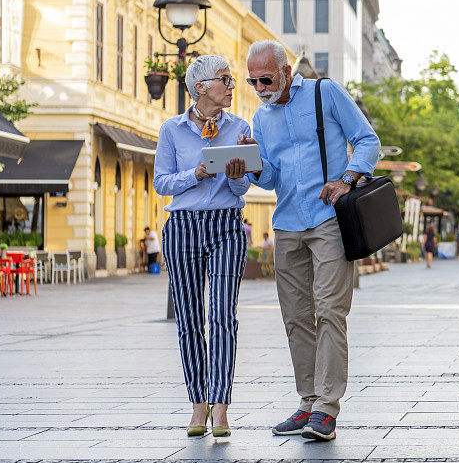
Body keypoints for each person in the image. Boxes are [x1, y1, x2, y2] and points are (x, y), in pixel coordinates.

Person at [233, 40, 380, 441]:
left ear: (284, 71)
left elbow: (368, 140)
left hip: (329, 218)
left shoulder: (323, 92)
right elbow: (270, 178)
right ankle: (308, 401)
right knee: (296, 316)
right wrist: (248, 163)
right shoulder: (260, 118)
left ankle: (327, 410)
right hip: (287, 223)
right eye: (252, 81)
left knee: (331, 310)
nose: (260, 87)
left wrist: (347, 179)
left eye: (265, 78)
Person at [153, 54, 252, 439]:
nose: (232, 85)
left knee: (223, 316)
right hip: (182, 226)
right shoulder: (172, 130)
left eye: (230, 79)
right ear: (200, 88)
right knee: (191, 320)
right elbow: (162, 182)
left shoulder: (239, 127)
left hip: (227, 225)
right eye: (224, 79)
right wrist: (195, 174)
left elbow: (243, 189)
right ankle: (199, 406)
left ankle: (222, 407)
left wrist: (240, 174)